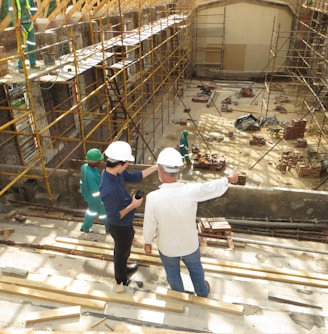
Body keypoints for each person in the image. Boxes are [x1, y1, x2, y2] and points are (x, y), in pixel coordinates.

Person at [143, 147, 238, 297]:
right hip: (189, 244)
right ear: (178, 172)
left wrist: (147, 242)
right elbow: (211, 188)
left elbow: (149, 224)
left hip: (167, 247)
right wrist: (228, 179)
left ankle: (178, 295)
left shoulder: (153, 197)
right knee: (196, 269)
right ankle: (202, 291)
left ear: (159, 171)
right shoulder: (190, 191)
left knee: (172, 273)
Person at [100, 141, 158, 286]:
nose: (127, 166)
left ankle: (124, 268)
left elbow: (134, 177)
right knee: (120, 252)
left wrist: (155, 167)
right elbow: (114, 216)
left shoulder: (115, 172)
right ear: (119, 163)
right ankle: (121, 279)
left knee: (124, 249)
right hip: (119, 225)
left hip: (125, 222)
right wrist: (133, 205)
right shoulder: (108, 189)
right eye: (126, 163)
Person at [80, 148, 108, 233]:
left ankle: (85, 227)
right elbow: (95, 191)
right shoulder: (91, 175)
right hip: (95, 198)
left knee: (91, 211)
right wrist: (101, 200)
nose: (100, 161)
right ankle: (110, 228)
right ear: (94, 161)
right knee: (104, 213)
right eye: (99, 160)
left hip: (88, 195)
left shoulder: (84, 167)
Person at [8, 0, 41, 72]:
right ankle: (21, 66)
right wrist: (16, 24)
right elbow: (11, 11)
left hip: (29, 24)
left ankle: (33, 63)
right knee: (22, 46)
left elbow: (34, 8)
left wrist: (30, 15)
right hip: (20, 25)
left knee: (32, 44)